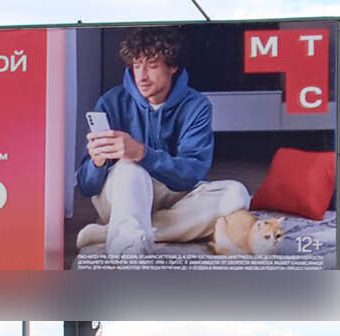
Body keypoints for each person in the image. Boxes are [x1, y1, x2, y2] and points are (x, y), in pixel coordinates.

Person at [72, 31, 250, 258]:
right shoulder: (111, 102)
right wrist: (97, 163)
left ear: (173, 66)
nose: (142, 77)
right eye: (137, 66)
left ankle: (116, 233)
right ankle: (129, 249)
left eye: (153, 66)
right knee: (129, 167)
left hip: (172, 194)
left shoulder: (196, 105)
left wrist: (142, 153)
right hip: (124, 193)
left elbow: (191, 173)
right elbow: (87, 187)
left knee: (236, 194)